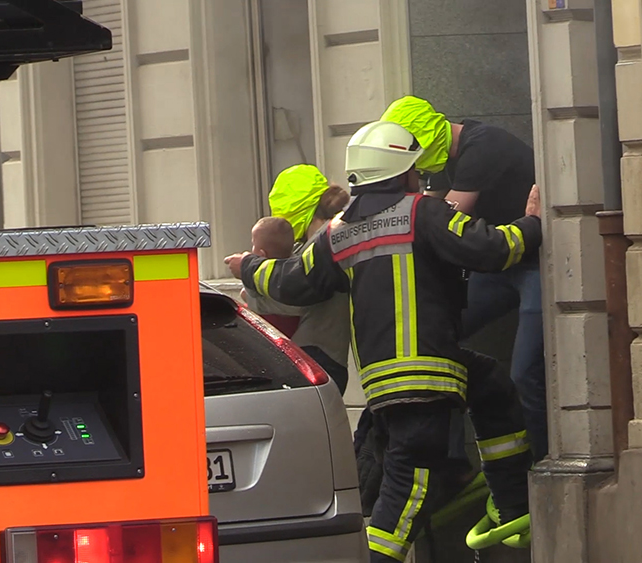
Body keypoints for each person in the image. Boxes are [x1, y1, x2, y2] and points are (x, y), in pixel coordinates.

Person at [225, 121, 541, 561]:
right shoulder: (422, 212)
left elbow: (290, 281)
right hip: (426, 376)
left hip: (389, 381)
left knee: (492, 386)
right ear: (401, 171)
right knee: (408, 489)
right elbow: (492, 249)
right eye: (415, 169)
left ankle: (512, 502)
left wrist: (247, 266)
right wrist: (533, 221)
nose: (421, 177)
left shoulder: (336, 232)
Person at [381, 95, 548, 463]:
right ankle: (449, 459)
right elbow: (421, 212)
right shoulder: (442, 158)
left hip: (537, 262)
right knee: (435, 342)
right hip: (500, 263)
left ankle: (544, 465)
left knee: (525, 373)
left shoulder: (483, 146)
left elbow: (440, 218)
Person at [242, 164, 353, 394]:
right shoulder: (332, 238)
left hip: (318, 357)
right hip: (331, 358)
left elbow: (295, 297)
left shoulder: (321, 247)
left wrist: (249, 291)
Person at [244, 217, 301, 337]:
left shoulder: (261, 276)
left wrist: (245, 265)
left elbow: (247, 294)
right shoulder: (294, 267)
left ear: (261, 254)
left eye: (253, 244)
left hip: (271, 330)